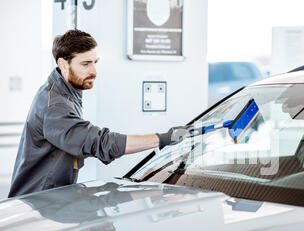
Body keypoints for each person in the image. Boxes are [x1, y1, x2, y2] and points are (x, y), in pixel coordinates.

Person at [8, 29, 183, 198]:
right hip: (37, 205)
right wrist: (163, 139)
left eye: (95, 62)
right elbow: (100, 142)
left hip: (51, 199)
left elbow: (84, 142)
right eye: (85, 64)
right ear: (63, 64)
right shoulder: (55, 106)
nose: (94, 71)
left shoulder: (65, 91)